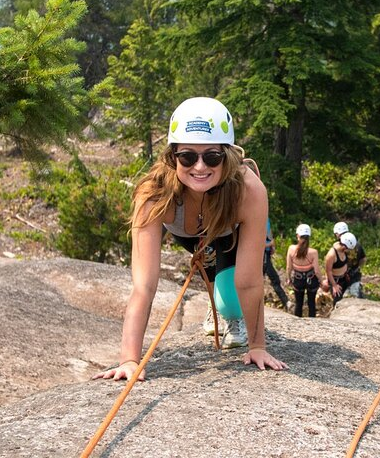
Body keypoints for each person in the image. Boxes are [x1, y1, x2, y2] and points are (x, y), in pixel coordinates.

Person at [93, 97, 287, 381]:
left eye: (211, 157)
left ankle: (225, 311)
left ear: (227, 155)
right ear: (173, 157)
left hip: (229, 233)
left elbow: (249, 281)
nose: (199, 167)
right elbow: (144, 285)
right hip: (189, 235)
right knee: (220, 290)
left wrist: (258, 346)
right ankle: (217, 303)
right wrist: (130, 359)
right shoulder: (154, 195)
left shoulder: (248, 190)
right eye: (187, 156)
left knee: (232, 303)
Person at [285, 224, 324, 317]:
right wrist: (321, 281)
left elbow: (288, 267)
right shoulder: (313, 252)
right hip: (311, 278)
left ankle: (297, 324)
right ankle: (312, 324)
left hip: (298, 279)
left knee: (299, 304)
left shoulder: (291, 249)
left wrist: (288, 278)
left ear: (298, 236)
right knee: (311, 304)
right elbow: (317, 270)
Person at [264, 218, 293, 311]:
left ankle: (286, 302)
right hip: (260, 253)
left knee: (275, 278)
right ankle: (286, 301)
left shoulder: (266, 217)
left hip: (266, 253)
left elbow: (269, 231)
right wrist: (269, 244)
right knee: (271, 278)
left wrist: (272, 245)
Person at [322, 231, 357, 306]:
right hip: (335, 280)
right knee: (337, 301)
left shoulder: (343, 251)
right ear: (344, 247)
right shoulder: (331, 255)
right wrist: (334, 285)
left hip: (344, 277)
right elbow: (328, 271)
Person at [333, 222, 366, 299]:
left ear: (338, 233)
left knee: (339, 299)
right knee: (355, 297)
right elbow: (363, 259)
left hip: (340, 277)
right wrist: (357, 266)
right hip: (354, 274)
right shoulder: (356, 243)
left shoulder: (338, 246)